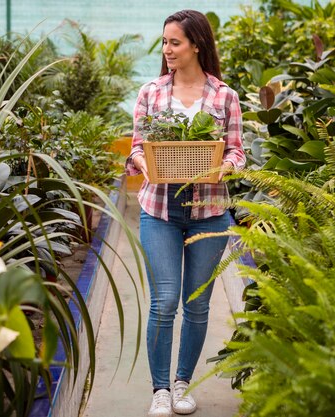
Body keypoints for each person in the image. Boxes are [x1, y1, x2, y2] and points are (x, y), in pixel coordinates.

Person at [125, 9, 245, 417]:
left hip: (209, 210)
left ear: (197, 44)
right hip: (159, 208)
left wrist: (226, 167)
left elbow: (236, 151)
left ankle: (182, 384)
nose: (167, 50)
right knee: (164, 301)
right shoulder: (151, 93)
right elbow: (137, 147)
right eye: (164, 42)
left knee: (197, 304)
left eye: (175, 42)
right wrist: (143, 164)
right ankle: (159, 389)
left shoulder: (224, 96)